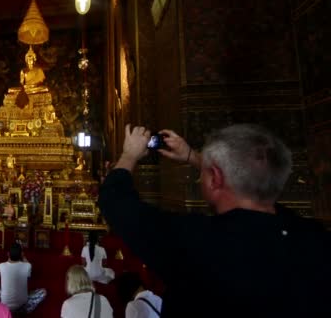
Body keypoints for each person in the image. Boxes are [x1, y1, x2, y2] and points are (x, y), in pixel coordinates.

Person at [99, 124, 331, 317]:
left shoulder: (197, 243)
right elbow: (255, 192)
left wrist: (128, 155)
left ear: (215, 179)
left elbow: (114, 200)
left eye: (207, 174)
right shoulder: (314, 239)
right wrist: (196, 158)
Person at [0, 243, 46, 313]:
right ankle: (23, 309)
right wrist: (23, 257)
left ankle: (9, 310)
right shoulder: (27, 266)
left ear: (8, 254)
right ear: (21, 254)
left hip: (5, 304)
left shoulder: (1, 266)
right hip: (22, 304)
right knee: (43, 292)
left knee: (1, 289)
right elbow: (28, 277)